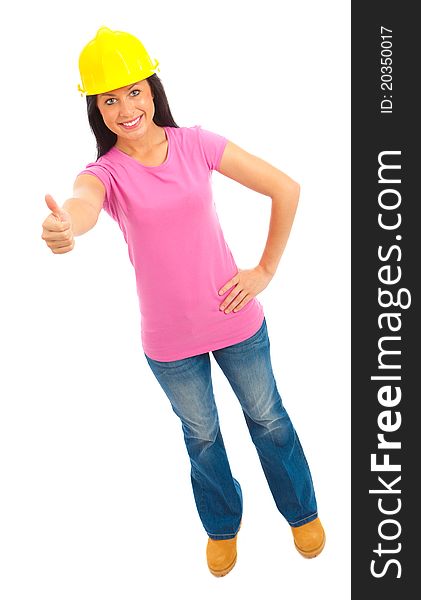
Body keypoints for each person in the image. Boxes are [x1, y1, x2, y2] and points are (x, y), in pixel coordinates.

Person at [41, 26, 325, 577]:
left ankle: (301, 511)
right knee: (202, 437)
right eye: (109, 98)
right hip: (169, 344)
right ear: (96, 109)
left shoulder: (195, 143)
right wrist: (64, 226)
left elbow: (285, 188)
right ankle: (222, 527)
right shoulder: (104, 174)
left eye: (134, 91)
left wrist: (264, 270)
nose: (126, 108)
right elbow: (82, 204)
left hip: (237, 321)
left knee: (268, 419)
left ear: (153, 89)